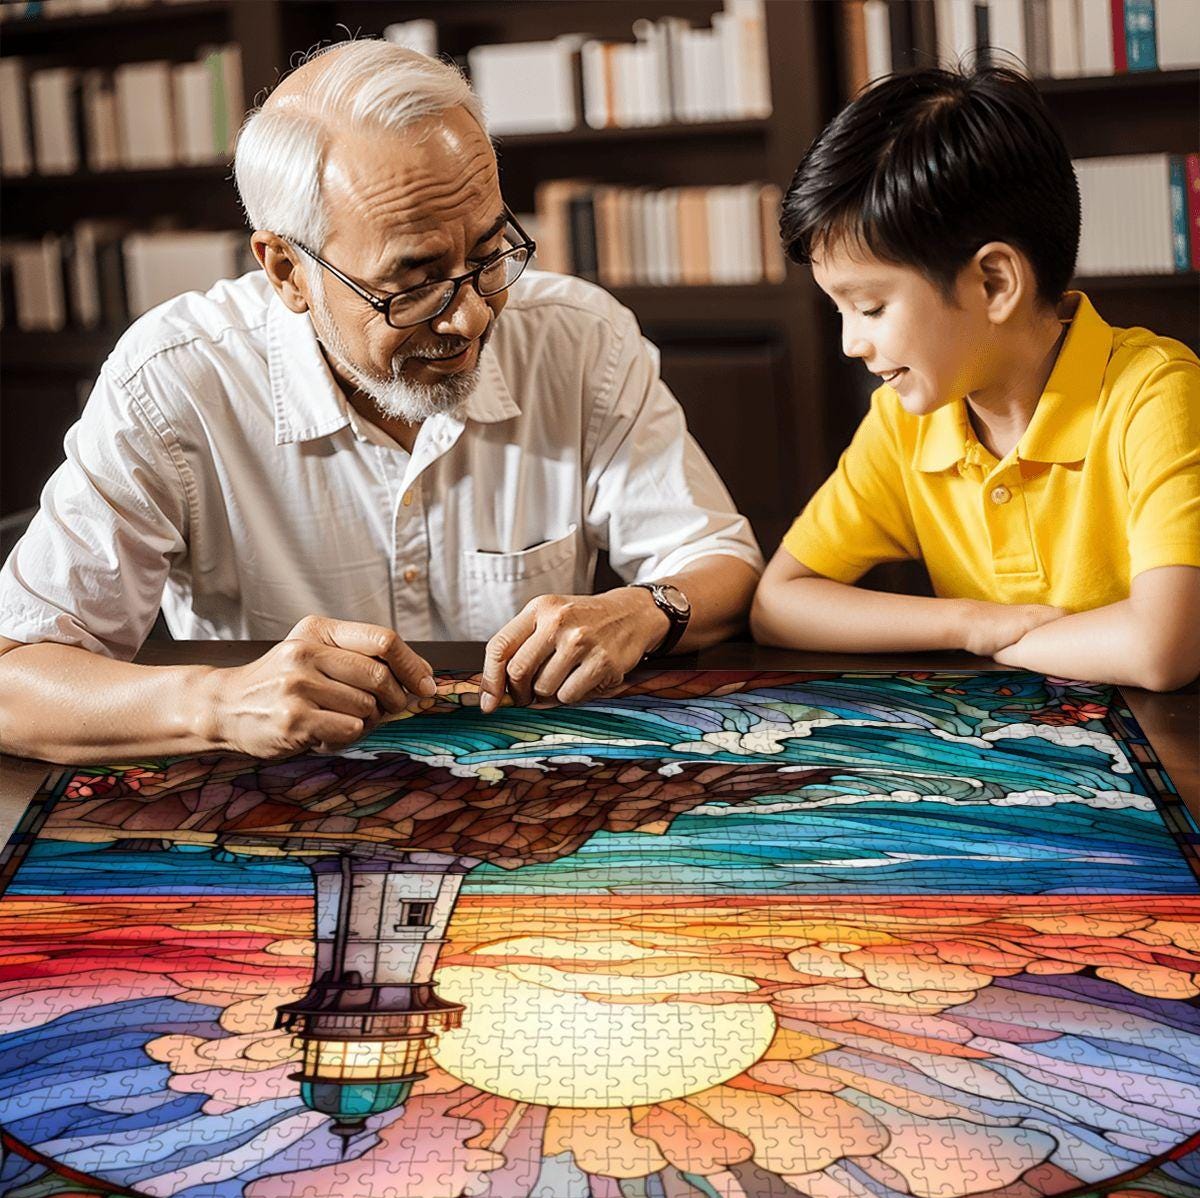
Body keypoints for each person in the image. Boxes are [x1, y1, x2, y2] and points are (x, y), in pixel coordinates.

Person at [0, 41, 762, 763]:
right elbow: (11, 682)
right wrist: (220, 701)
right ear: (287, 271)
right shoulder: (174, 382)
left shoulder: (580, 338)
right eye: (415, 280)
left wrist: (645, 608)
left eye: (491, 254)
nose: (470, 318)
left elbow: (720, 561)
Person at [751, 64, 1200, 692]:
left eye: (871, 307)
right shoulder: (906, 420)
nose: (851, 343)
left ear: (995, 283)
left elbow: (1162, 648)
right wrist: (969, 623)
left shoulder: (1156, 393)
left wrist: (1011, 640)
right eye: (839, 308)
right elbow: (780, 603)